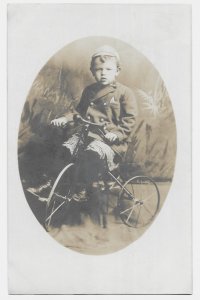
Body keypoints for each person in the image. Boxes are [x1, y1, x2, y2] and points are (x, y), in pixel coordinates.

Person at [28, 45, 138, 202]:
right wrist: (64, 119)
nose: (103, 73)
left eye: (108, 69)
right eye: (98, 69)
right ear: (92, 71)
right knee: (65, 151)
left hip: (110, 141)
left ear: (117, 71)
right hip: (87, 135)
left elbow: (130, 120)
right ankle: (50, 183)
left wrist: (116, 134)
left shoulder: (125, 93)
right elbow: (78, 112)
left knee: (90, 156)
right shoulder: (89, 91)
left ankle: (81, 189)